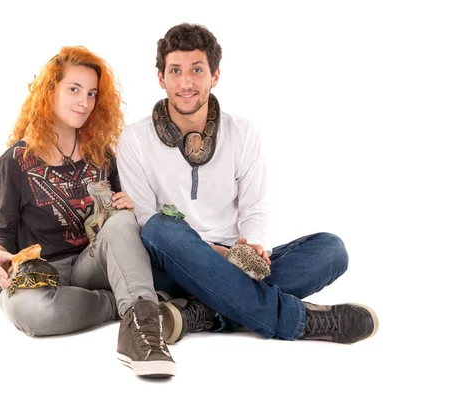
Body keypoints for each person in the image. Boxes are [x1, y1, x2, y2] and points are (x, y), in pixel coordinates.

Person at [117, 23, 379, 345]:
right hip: (171, 263)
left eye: (197, 70)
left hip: (235, 260)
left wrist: (251, 244)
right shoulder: (134, 139)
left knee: (331, 249)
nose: (186, 83)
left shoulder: (243, 133)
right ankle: (301, 320)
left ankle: (200, 313)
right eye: (175, 71)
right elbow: (144, 220)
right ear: (161, 78)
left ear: (214, 75)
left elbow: (255, 207)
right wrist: (211, 254)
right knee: (160, 227)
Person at [0, 46, 175, 378]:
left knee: (122, 222)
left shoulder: (102, 155)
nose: (84, 102)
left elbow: (123, 225)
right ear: (49, 91)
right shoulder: (13, 162)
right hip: (41, 274)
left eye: (91, 93)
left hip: (92, 263)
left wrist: (129, 205)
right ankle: (125, 303)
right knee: (33, 313)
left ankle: (142, 328)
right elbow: (1, 229)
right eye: (74, 89)